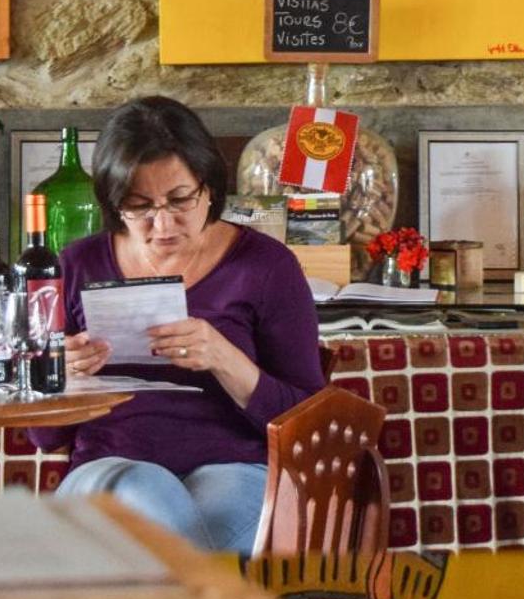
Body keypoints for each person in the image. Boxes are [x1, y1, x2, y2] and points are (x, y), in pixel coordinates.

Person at [55, 96, 325, 553]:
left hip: (233, 467)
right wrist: (61, 377)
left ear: (209, 187)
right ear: (114, 203)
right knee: (146, 488)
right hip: (110, 464)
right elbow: (44, 436)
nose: (163, 224)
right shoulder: (77, 265)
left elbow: (309, 424)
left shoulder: (265, 265)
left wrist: (225, 359)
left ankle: (171, 597)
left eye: (180, 200)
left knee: (181, 533)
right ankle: (210, 597)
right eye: (139, 207)